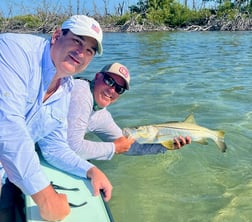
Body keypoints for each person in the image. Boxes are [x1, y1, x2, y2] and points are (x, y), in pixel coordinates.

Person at [0, 15, 113, 222]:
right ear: (56, 36)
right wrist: (45, 197)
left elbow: (54, 147)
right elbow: (7, 126)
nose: (81, 53)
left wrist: (89, 169)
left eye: (89, 50)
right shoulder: (13, 50)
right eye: (77, 41)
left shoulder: (66, 88)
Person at [67, 62, 191, 161]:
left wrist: (165, 145)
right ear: (97, 77)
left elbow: (130, 147)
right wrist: (114, 147)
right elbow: (72, 148)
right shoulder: (81, 92)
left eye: (119, 89)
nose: (112, 91)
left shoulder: (102, 116)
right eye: (109, 81)